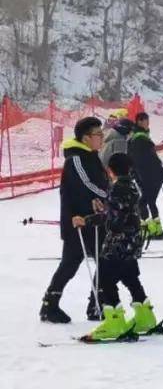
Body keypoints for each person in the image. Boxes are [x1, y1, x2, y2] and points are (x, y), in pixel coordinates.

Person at [76, 153, 162, 340]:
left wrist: (88, 220)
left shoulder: (116, 189)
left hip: (118, 242)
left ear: (110, 170)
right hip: (132, 241)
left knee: (105, 278)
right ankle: (145, 315)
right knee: (130, 277)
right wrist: (106, 210)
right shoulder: (132, 186)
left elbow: (114, 219)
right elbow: (120, 211)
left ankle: (114, 320)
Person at [39, 117, 109, 323]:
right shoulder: (76, 159)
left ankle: (97, 304)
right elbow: (86, 184)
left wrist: (105, 198)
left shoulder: (92, 156)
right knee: (70, 264)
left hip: (94, 220)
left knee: (104, 261)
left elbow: (101, 183)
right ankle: (49, 305)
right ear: (86, 138)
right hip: (78, 221)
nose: (101, 138)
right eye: (98, 134)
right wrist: (107, 196)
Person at [128, 112, 163, 240]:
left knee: (149, 200)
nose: (148, 123)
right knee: (145, 201)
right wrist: (159, 172)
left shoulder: (139, 137)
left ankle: (153, 228)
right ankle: (148, 229)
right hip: (147, 175)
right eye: (146, 121)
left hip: (145, 174)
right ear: (140, 121)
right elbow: (147, 158)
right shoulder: (140, 138)